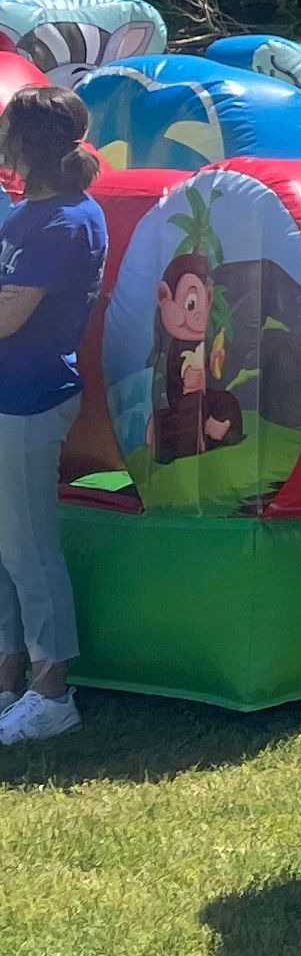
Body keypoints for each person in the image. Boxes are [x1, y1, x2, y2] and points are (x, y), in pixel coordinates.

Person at [0, 82, 106, 747]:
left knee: (28, 548)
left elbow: (9, 317)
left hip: (29, 400)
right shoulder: (26, 213)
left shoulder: (65, 220)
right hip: (9, 399)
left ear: (26, 147)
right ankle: (10, 677)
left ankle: (52, 691)